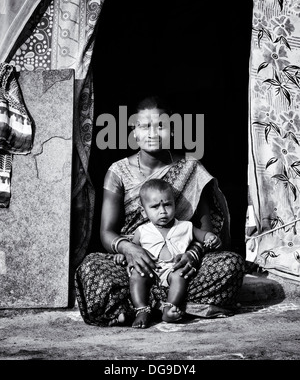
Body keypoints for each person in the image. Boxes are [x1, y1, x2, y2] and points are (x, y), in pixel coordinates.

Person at [75, 95, 245, 327]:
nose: (153, 133)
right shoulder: (118, 171)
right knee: (91, 266)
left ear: (172, 131)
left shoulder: (190, 167)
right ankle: (173, 305)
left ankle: (139, 306)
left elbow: (207, 228)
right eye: (144, 126)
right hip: (134, 267)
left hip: (181, 268)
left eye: (160, 126)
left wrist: (192, 256)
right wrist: (130, 249)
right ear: (134, 132)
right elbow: (107, 232)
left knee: (231, 264)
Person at [114, 177, 222, 328]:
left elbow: (203, 236)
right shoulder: (142, 230)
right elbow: (133, 249)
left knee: (180, 276)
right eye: (155, 207)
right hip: (149, 268)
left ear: (175, 205)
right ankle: (142, 309)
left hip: (173, 268)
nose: (163, 211)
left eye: (167, 205)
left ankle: (169, 308)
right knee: (136, 275)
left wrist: (211, 237)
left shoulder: (186, 226)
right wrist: (123, 254)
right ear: (143, 210)